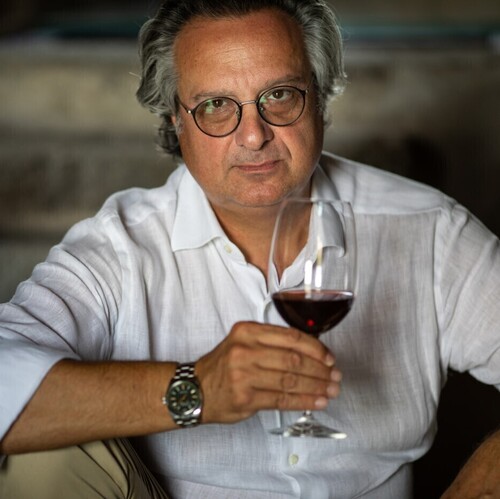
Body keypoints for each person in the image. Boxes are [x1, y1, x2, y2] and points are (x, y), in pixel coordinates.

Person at [0, 0, 499, 497]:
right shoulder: (122, 247)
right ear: (176, 121)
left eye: (279, 95)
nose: (254, 134)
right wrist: (194, 389)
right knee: (38, 455)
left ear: (320, 98)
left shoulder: (428, 229)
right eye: (216, 105)